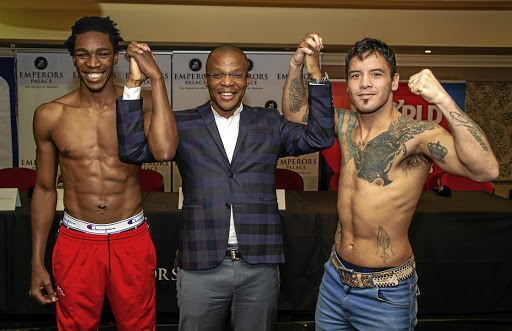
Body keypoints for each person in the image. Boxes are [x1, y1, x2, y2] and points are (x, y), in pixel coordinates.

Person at [116, 37, 335, 330]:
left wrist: (315, 74)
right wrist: (133, 83)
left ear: (247, 79)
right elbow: (131, 151)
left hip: (259, 264)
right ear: (206, 80)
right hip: (200, 265)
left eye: (236, 74)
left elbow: (321, 137)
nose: (227, 82)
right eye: (218, 74)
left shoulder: (269, 122)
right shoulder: (181, 124)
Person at [282, 35, 500, 330]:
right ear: (347, 84)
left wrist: (443, 99)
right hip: (335, 280)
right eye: (356, 75)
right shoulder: (345, 126)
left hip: (385, 293)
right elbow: (295, 115)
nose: (365, 84)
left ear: (394, 81)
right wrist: (298, 65)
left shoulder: (418, 135)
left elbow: (486, 170)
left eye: (376, 74)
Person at [29, 16, 178, 330]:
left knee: (139, 326)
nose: (92, 62)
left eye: (103, 53)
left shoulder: (141, 104)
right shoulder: (50, 115)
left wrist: (157, 78)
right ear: (73, 58)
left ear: (116, 57)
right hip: (75, 241)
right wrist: (36, 261)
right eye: (83, 54)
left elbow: (165, 152)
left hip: (130, 237)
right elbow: (43, 190)